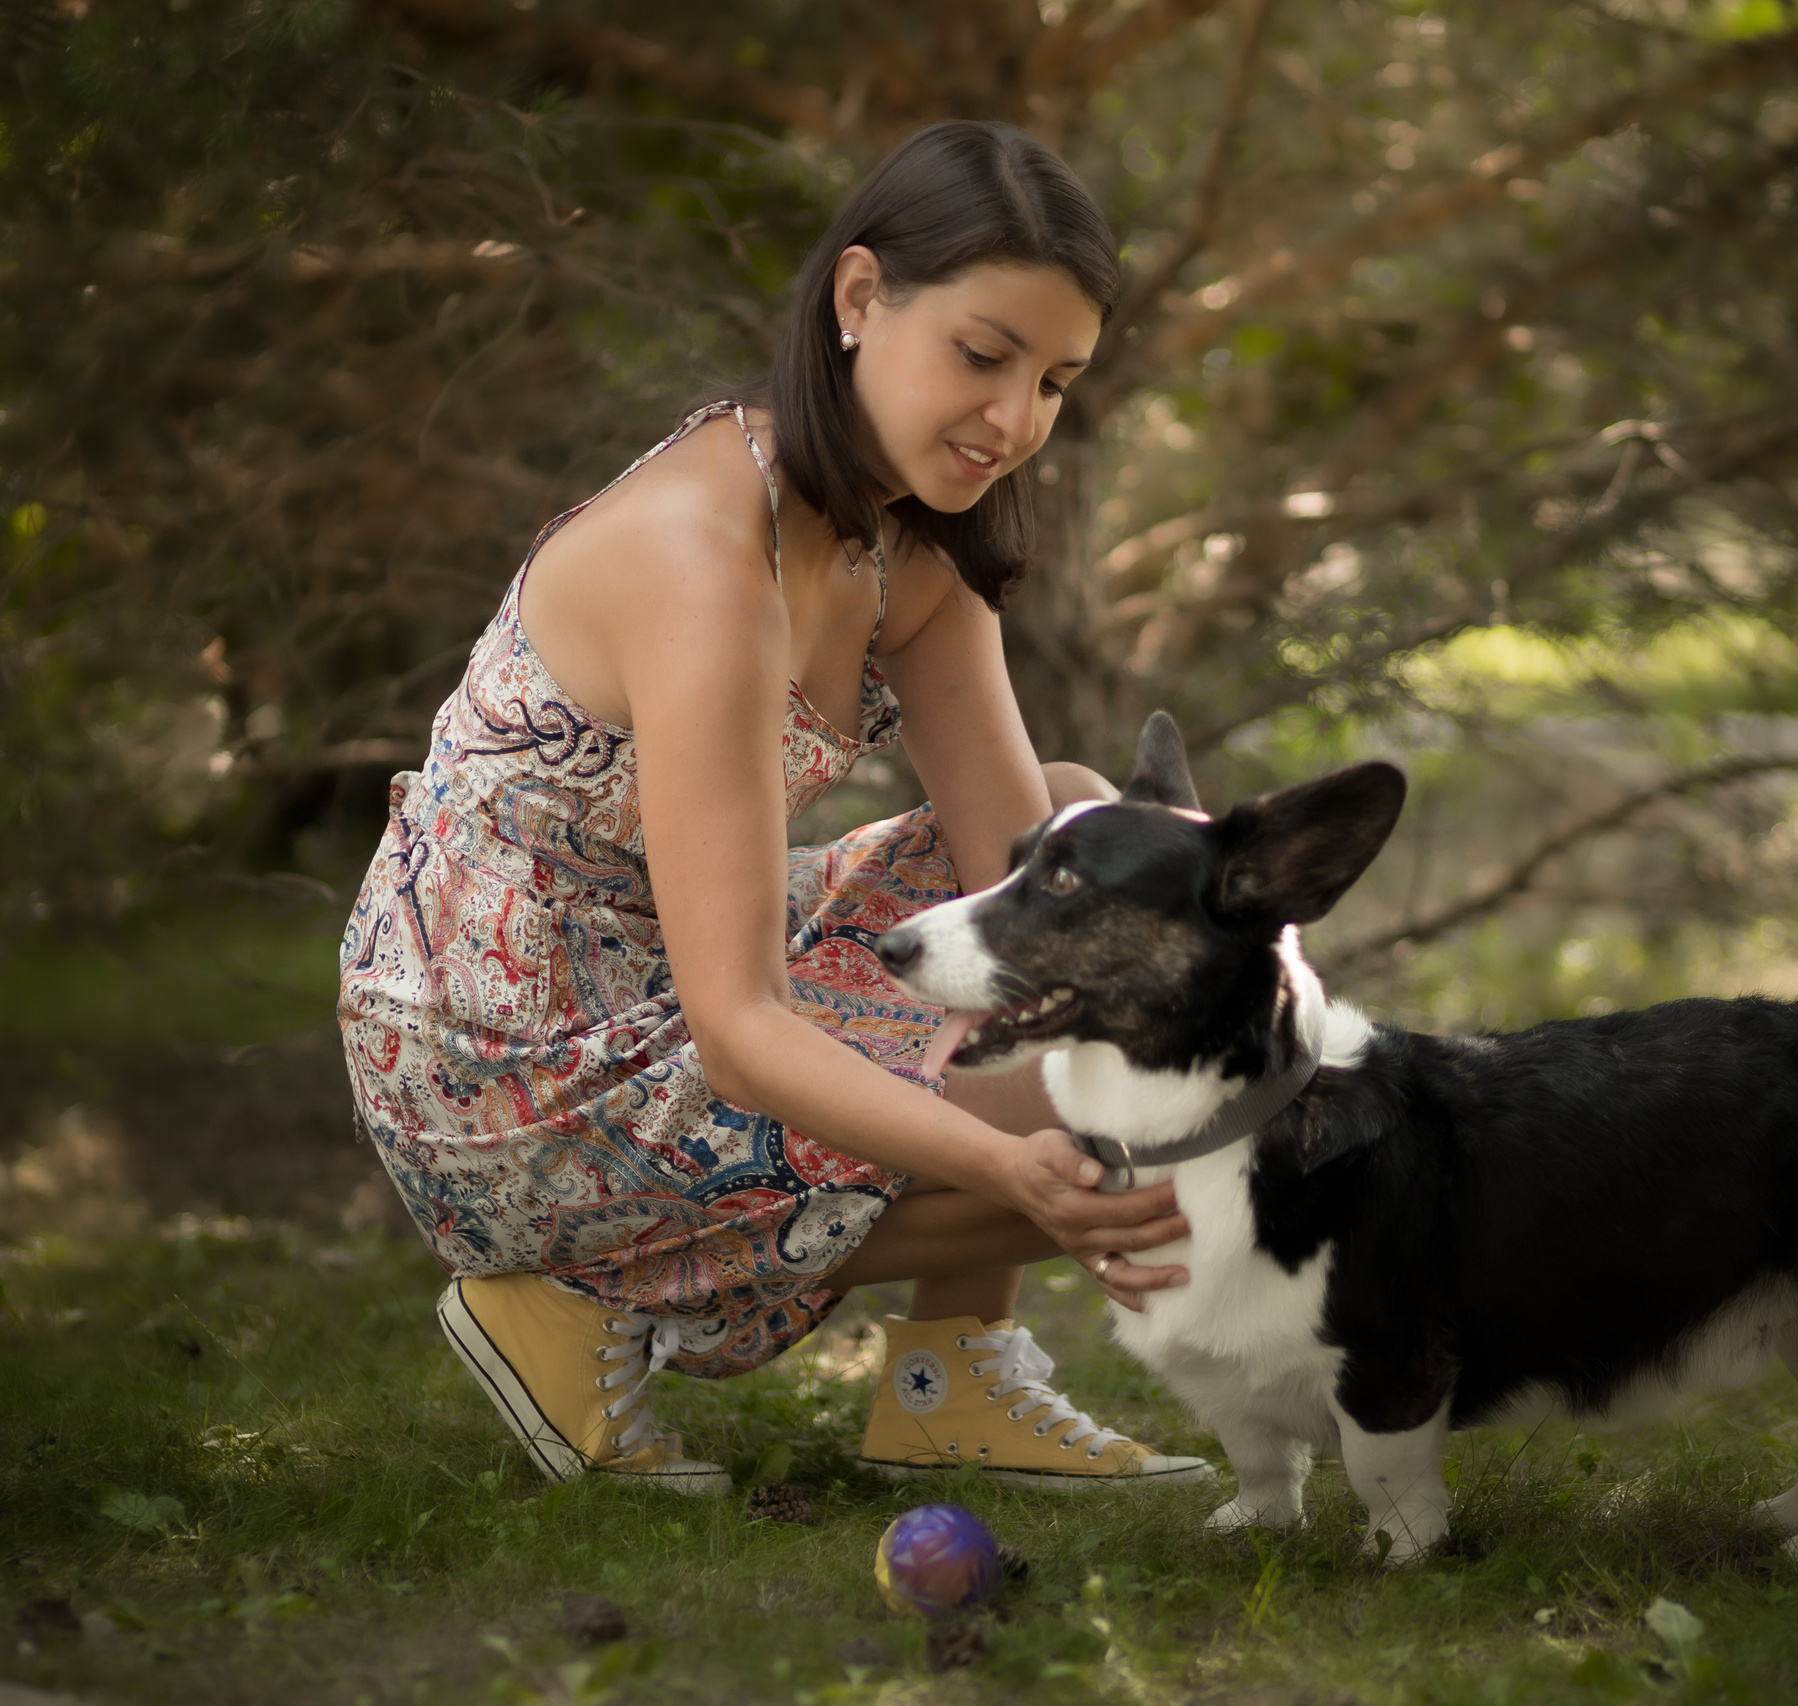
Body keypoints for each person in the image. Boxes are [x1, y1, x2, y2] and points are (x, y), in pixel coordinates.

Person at [337, 121, 1207, 1496]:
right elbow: (742, 1029)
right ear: (860, 298)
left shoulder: (912, 547)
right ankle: (562, 1291)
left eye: (1054, 382)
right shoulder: (700, 560)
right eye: (982, 356)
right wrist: (1017, 1162)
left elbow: (1016, 884)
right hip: (499, 1054)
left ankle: (949, 1378)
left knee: (1077, 831)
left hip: (656, 967)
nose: (1014, 420)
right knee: (1107, 1111)